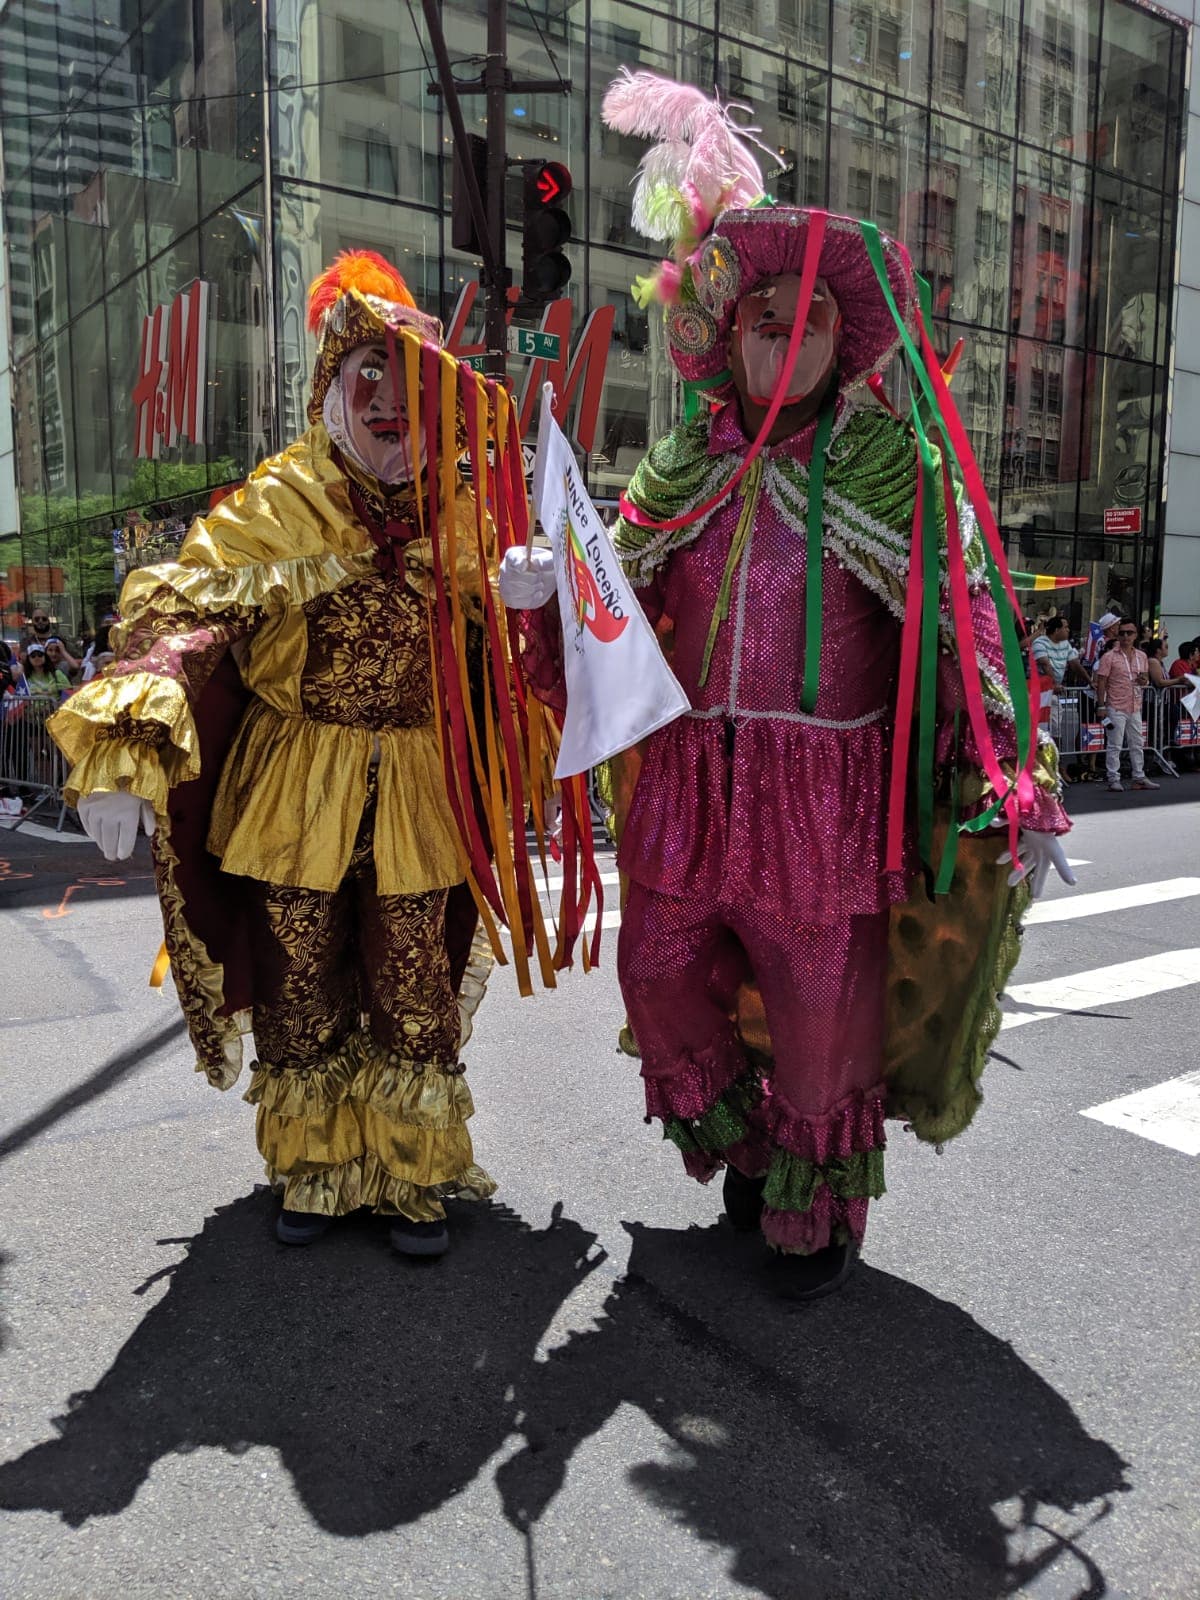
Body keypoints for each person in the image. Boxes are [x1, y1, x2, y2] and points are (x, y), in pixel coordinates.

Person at [505, 70, 1073, 1300]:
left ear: (838, 341)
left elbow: (963, 617)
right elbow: (621, 620)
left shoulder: (883, 460)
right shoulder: (679, 455)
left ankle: (810, 1211)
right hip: (693, 777)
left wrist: (1006, 775)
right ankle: (749, 1145)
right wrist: (549, 601)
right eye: (765, 315)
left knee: (822, 1007)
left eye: (809, 319)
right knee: (654, 967)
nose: (783, 334)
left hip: (823, 791)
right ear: (733, 331)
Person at [49, 251, 564, 1258]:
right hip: (293, 781)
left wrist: (529, 612)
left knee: (414, 967)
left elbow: (518, 665)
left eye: (409, 383)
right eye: (362, 374)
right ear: (329, 388)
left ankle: (412, 1171)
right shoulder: (278, 502)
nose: (386, 401)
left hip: (419, 782)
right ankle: (321, 1166)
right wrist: (128, 735)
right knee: (298, 965)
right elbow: (182, 610)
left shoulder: (472, 507)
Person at [1093, 617, 1158, 792]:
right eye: (1122, 633)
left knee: (1137, 742)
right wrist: (1101, 706)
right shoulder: (1109, 657)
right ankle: (1113, 778)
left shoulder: (1141, 656)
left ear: (1136, 635)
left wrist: (1143, 680)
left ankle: (1139, 777)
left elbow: (1145, 679)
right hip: (1115, 705)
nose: (1126, 636)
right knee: (1115, 744)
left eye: (1129, 633)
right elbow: (1101, 682)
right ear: (1118, 635)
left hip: (1135, 704)